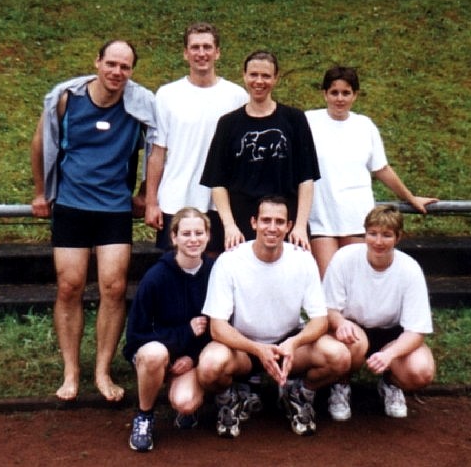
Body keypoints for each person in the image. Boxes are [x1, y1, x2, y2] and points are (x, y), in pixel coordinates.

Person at [30, 40, 156, 402]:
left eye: (125, 67)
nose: (117, 72)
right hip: (71, 205)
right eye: (111, 64)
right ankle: (71, 371)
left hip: (114, 209)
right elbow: (40, 143)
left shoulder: (139, 106)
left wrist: (144, 192)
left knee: (114, 288)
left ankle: (102, 371)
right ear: (97, 61)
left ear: (131, 71)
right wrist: (41, 192)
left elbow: (158, 147)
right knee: (69, 286)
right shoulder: (66, 99)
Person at [196, 196, 350, 438]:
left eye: (279, 222)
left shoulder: (302, 259)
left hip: (287, 348)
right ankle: (230, 400)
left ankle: (298, 394)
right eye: (266, 220)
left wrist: (294, 343)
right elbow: (217, 328)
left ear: (289, 226)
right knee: (209, 366)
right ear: (254, 223)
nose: (272, 227)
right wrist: (257, 349)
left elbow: (320, 320)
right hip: (243, 348)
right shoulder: (230, 261)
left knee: (339, 356)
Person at [305, 66, 438, 278]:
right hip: (321, 217)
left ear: (355, 95)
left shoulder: (364, 125)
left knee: (355, 281)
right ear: (324, 94)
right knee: (328, 281)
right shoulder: (308, 122)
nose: (340, 99)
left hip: (356, 216)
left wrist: (410, 198)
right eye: (334, 92)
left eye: (346, 93)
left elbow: (381, 168)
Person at [323, 204, 436, 421]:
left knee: (421, 371)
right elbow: (329, 308)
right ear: (364, 233)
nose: (378, 241)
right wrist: (340, 322)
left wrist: (390, 355)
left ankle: (390, 384)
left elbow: (416, 331)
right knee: (353, 343)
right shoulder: (344, 258)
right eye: (372, 233)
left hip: (392, 335)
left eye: (386, 235)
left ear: (398, 237)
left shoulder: (410, 269)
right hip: (353, 330)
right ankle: (341, 385)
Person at [145, 22, 249, 254]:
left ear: (217, 52)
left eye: (207, 47)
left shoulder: (237, 96)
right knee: (176, 267)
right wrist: (152, 202)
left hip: (220, 203)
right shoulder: (167, 95)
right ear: (185, 53)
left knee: (215, 269)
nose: (201, 53)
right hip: (176, 199)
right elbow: (157, 153)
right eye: (195, 47)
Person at [201, 50, 320, 251]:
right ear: (244, 76)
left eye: (266, 76)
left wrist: (299, 226)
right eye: (253, 75)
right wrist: (229, 226)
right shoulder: (228, 124)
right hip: (241, 224)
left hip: (285, 222)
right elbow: (217, 182)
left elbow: (306, 178)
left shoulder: (294, 119)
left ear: (275, 78)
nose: (259, 81)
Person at [123, 207, 214, 452]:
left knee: (185, 402)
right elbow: (136, 336)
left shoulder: (215, 272)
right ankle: (144, 416)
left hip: (191, 356)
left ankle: (194, 401)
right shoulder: (156, 277)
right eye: (186, 234)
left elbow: (220, 327)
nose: (193, 239)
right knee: (154, 354)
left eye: (199, 233)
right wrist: (184, 334)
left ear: (208, 236)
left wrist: (193, 358)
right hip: (158, 353)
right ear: (174, 237)